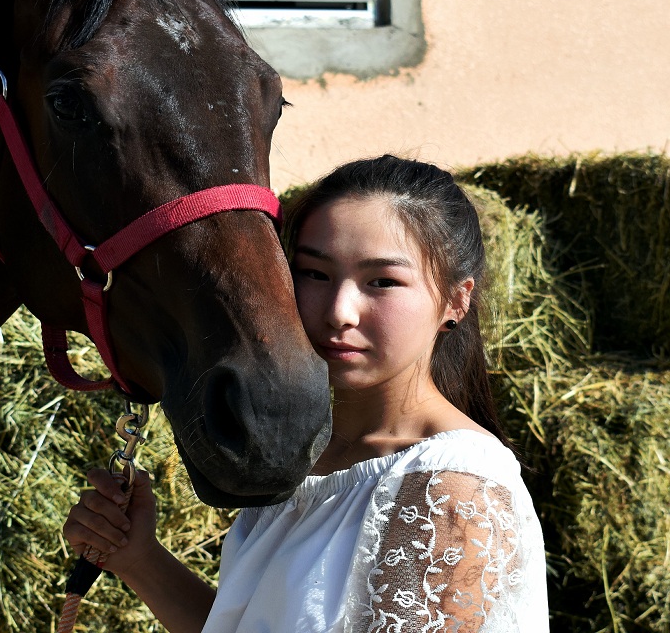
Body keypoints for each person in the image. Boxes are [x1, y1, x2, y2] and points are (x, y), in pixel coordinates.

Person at [63, 155, 549, 632]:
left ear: (455, 300)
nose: (339, 311)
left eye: (382, 281)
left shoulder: (451, 488)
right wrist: (139, 558)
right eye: (314, 273)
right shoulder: (308, 458)